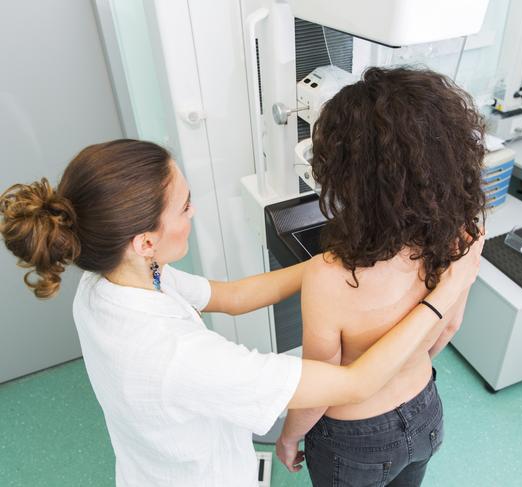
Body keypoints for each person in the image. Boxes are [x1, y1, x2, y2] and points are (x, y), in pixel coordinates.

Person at [0, 139, 483, 487]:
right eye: (186, 206)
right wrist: (447, 292)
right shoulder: (176, 357)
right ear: (145, 241)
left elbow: (232, 296)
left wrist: (333, 264)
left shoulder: (109, 280)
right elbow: (355, 382)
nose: (194, 211)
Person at [276, 67, 486, 486]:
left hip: (354, 438)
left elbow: (321, 385)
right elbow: (449, 326)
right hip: (425, 407)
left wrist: (289, 436)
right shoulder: (462, 235)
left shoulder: (330, 277)